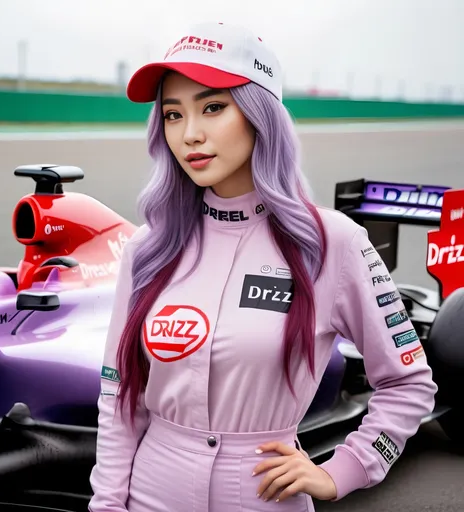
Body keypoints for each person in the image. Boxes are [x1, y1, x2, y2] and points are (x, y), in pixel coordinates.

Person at [88, 21, 438, 512]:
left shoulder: (331, 242)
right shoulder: (149, 248)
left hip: (264, 496)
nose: (190, 134)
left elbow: (408, 383)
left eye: (213, 107)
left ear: (260, 115)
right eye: (172, 114)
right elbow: (120, 397)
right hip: (150, 492)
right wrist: (106, 505)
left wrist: (344, 469)